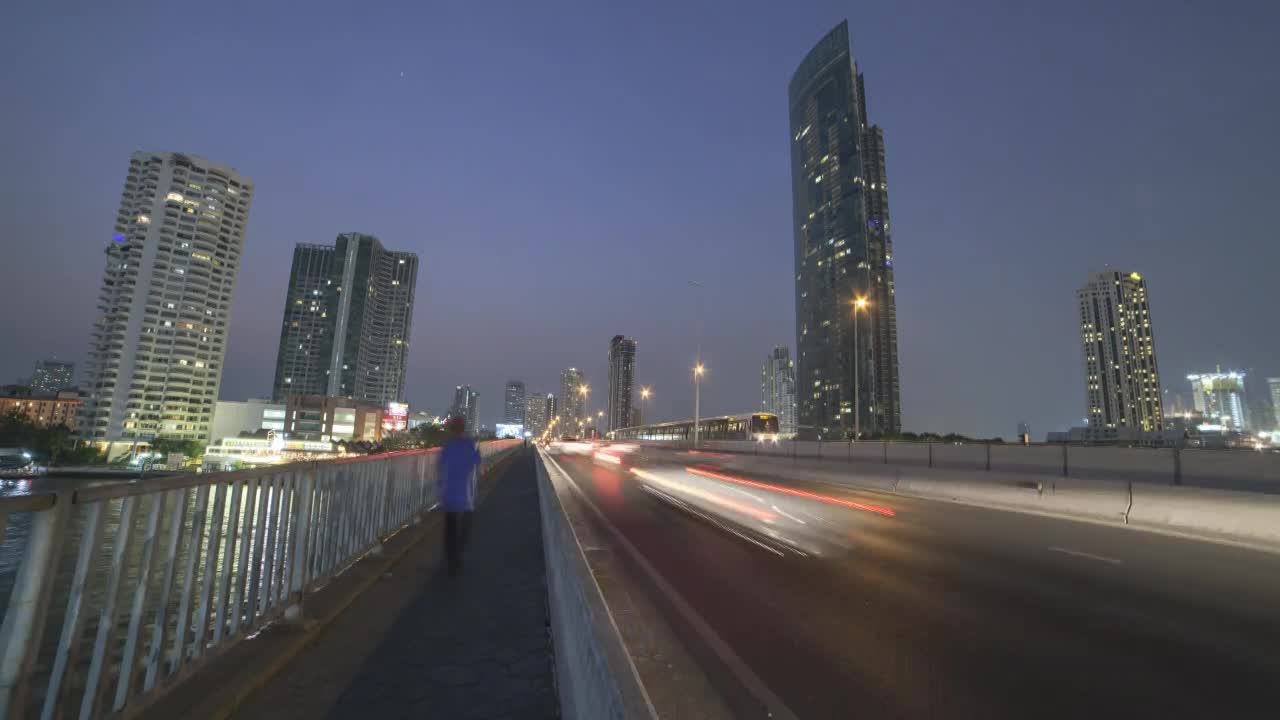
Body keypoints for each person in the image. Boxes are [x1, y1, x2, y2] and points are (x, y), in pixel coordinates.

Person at [437, 416, 482, 576]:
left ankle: (451, 561)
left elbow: (440, 468)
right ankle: (457, 559)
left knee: (450, 532)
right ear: (463, 428)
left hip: (449, 497)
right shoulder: (469, 445)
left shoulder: (448, 447)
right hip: (466, 498)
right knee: (464, 531)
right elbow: (477, 460)